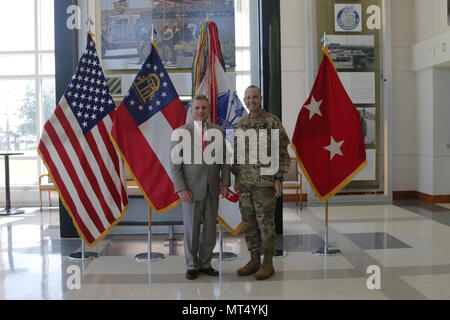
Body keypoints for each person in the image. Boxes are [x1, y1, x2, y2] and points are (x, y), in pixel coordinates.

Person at [232, 85, 290, 280]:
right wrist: (237, 178)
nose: (251, 101)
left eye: (254, 97)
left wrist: (279, 178)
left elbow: (283, 154)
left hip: (265, 185)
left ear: (261, 98)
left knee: (265, 225)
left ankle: (268, 263)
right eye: (248, 98)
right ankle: (254, 259)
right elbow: (237, 156)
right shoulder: (241, 125)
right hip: (246, 184)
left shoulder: (272, 122)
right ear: (245, 100)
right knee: (248, 224)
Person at [170, 95, 230, 280]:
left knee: (210, 230)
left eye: (204, 108)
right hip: (190, 191)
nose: (200, 111)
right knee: (192, 231)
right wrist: (181, 188)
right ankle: (191, 265)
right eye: (197, 108)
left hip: (212, 189)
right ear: (191, 110)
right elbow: (175, 165)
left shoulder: (218, 131)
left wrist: (225, 183)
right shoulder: (180, 132)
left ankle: (205, 263)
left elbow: (224, 161)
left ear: (209, 110)